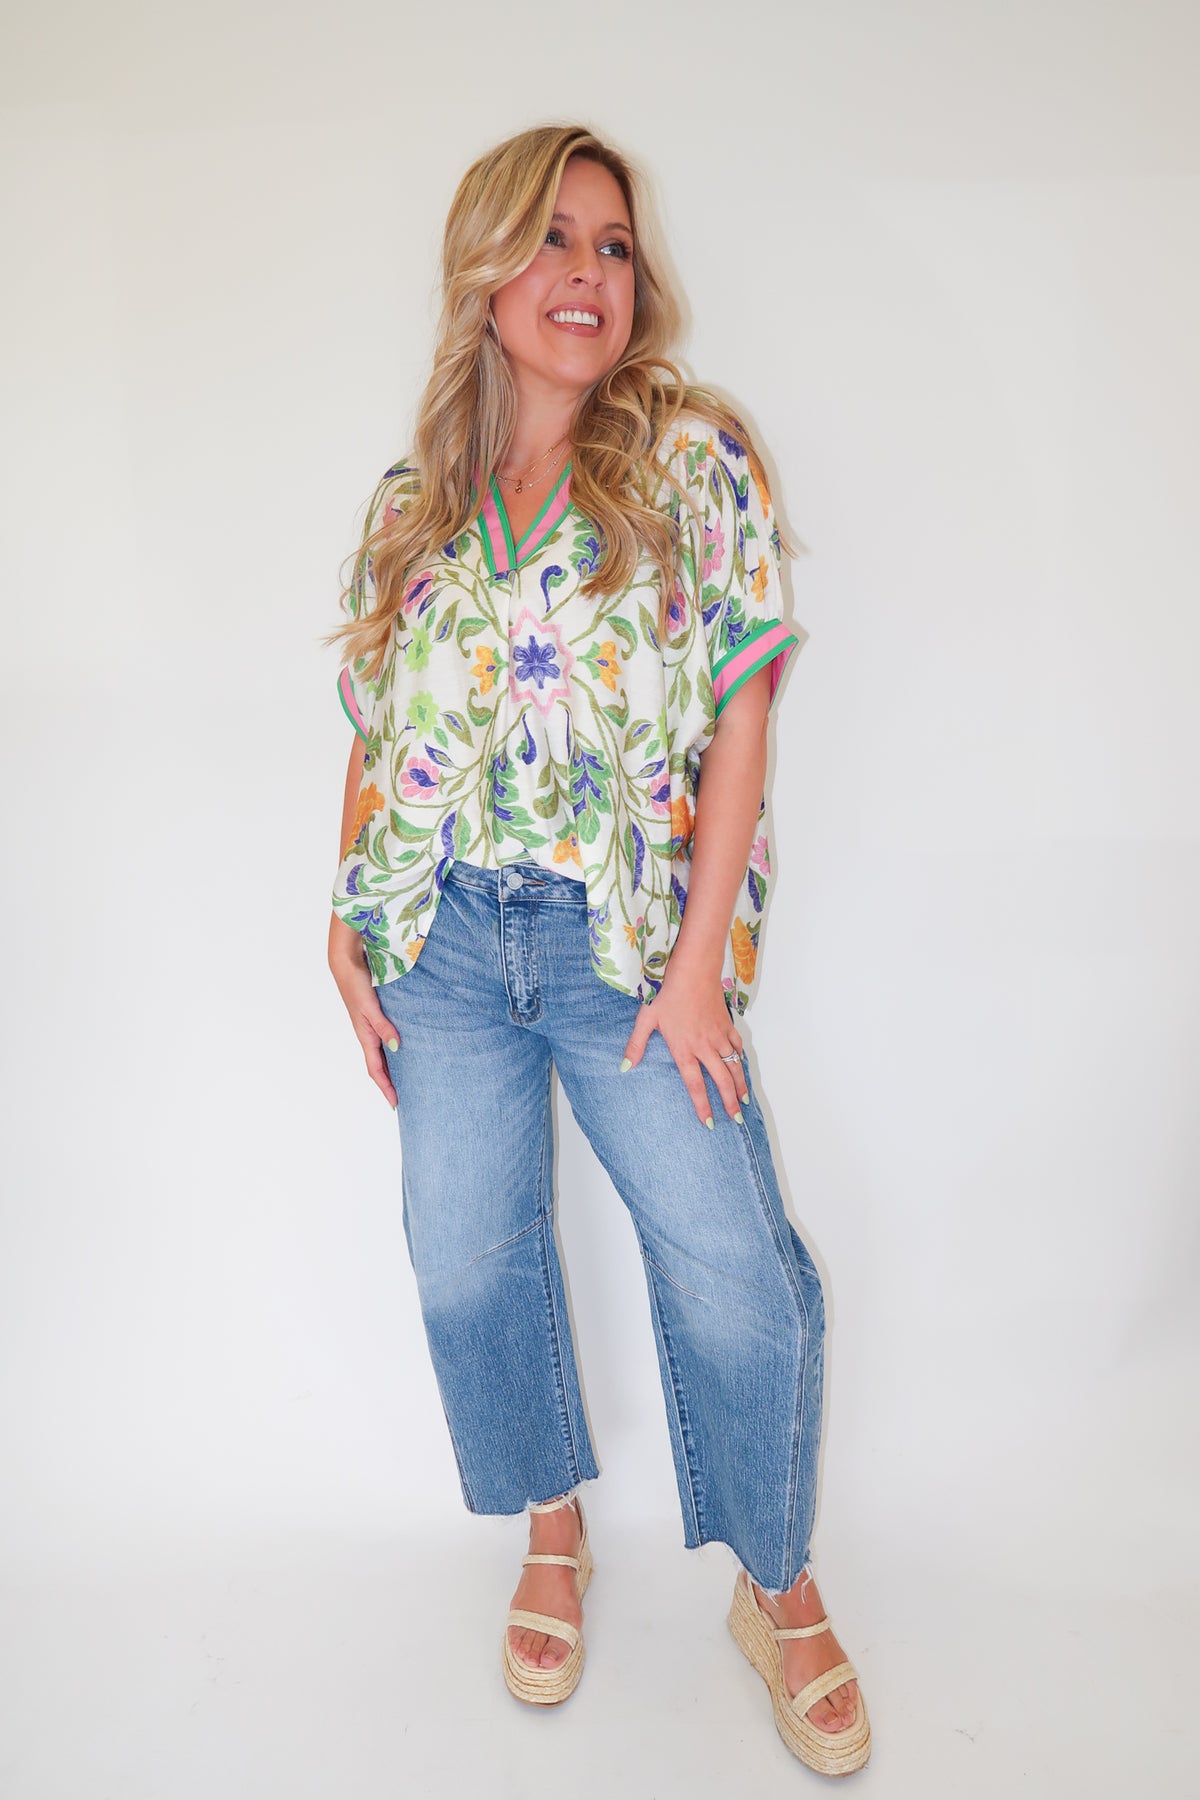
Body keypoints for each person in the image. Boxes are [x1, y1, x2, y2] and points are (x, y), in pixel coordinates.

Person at [324, 123, 870, 1777]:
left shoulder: (693, 459)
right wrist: (342, 911)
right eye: (552, 239)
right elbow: (374, 724)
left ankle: (775, 1582)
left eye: (613, 245)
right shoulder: (413, 504)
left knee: (736, 1267)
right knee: (463, 1251)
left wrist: (699, 965)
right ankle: (550, 1522)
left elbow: (742, 716)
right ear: (484, 275)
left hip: (624, 944)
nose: (586, 273)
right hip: (439, 941)